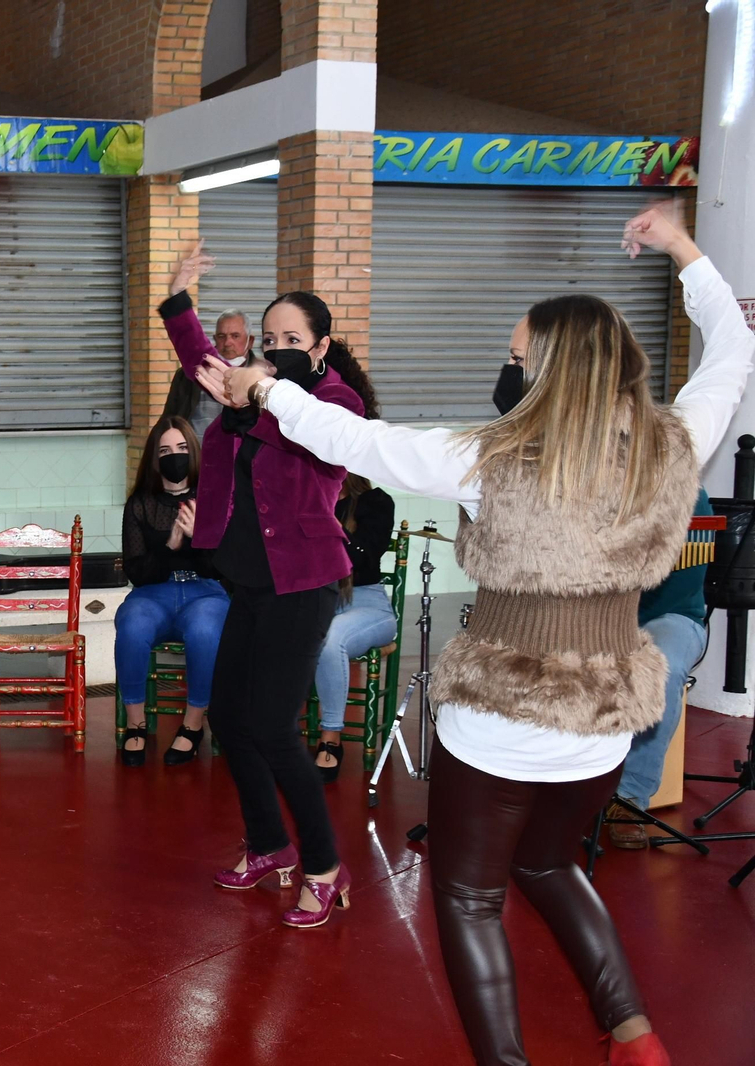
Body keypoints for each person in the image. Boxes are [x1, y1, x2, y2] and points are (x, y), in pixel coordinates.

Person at [210, 202, 750, 1066]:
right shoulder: (674, 444)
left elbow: (362, 441)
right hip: (607, 712)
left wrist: (267, 389)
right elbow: (730, 355)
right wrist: (684, 248)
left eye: (516, 360)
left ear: (554, 375)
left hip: (501, 713)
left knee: (466, 896)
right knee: (550, 863)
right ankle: (636, 1037)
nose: (506, 371)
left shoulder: (489, 458)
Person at [161, 242, 378, 928]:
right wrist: (176, 297)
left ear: (320, 348)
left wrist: (262, 391)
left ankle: (323, 863)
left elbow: (307, 443)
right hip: (248, 579)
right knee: (228, 713)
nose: (278, 347)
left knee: (275, 728)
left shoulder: (334, 402)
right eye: (271, 337)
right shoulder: (244, 385)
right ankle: (268, 845)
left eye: (293, 339)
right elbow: (200, 360)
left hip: (305, 582)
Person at [115, 414, 231, 767]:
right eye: (165, 450)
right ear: (154, 458)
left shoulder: (215, 499)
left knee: (204, 631)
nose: (174, 456)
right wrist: (171, 544)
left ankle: (192, 725)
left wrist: (200, 539)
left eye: (181, 447)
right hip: (155, 593)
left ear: (193, 452)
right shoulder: (140, 504)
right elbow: (138, 572)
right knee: (132, 626)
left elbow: (225, 567)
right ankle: (136, 724)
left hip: (206, 591)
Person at [607, 485, 713, 845]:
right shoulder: (588, 482)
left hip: (672, 614)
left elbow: (679, 586)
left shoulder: (686, 490)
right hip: (599, 613)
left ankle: (629, 798)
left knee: (661, 666)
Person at [310, 473, 397, 781]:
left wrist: (329, 527)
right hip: (319, 599)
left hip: (367, 603)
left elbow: (362, 556)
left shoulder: (377, 502)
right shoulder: (307, 500)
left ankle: (330, 737)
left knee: (332, 638)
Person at [162, 300, 254, 439]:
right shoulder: (187, 376)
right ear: (215, 339)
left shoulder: (260, 378)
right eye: (222, 336)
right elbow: (168, 420)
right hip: (194, 457)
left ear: (250, 341)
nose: (228, 343)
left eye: (235, 336)